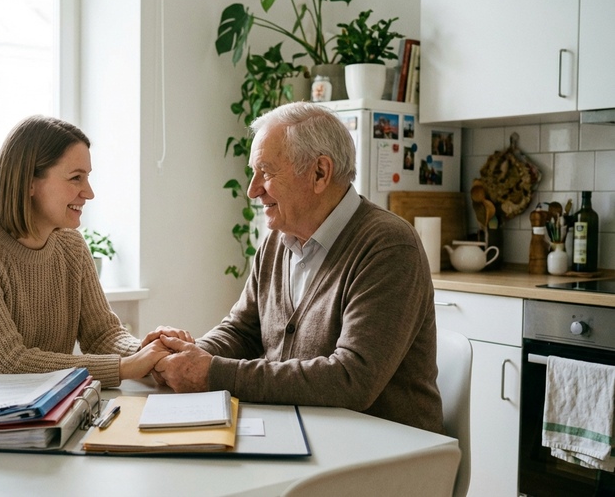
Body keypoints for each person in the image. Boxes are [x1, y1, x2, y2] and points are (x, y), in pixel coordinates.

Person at [153, 102, 444, 433]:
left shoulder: (389, 246)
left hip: (389, 452)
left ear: (320, 172)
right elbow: (242, 331)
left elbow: (352, 378)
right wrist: (187, 356)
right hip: (305, 433)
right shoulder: (278, 240)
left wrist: (209, 372)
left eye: (265, 171)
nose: (253, 190)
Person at [0, 115, 186, 387]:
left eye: (87, 177)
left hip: (36, 408)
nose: (89, 192)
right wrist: (126, 366)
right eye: (75, 178)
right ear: (29, 182)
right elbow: (6, 363)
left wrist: (150, 352)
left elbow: (102, 335)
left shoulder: (72, 246)